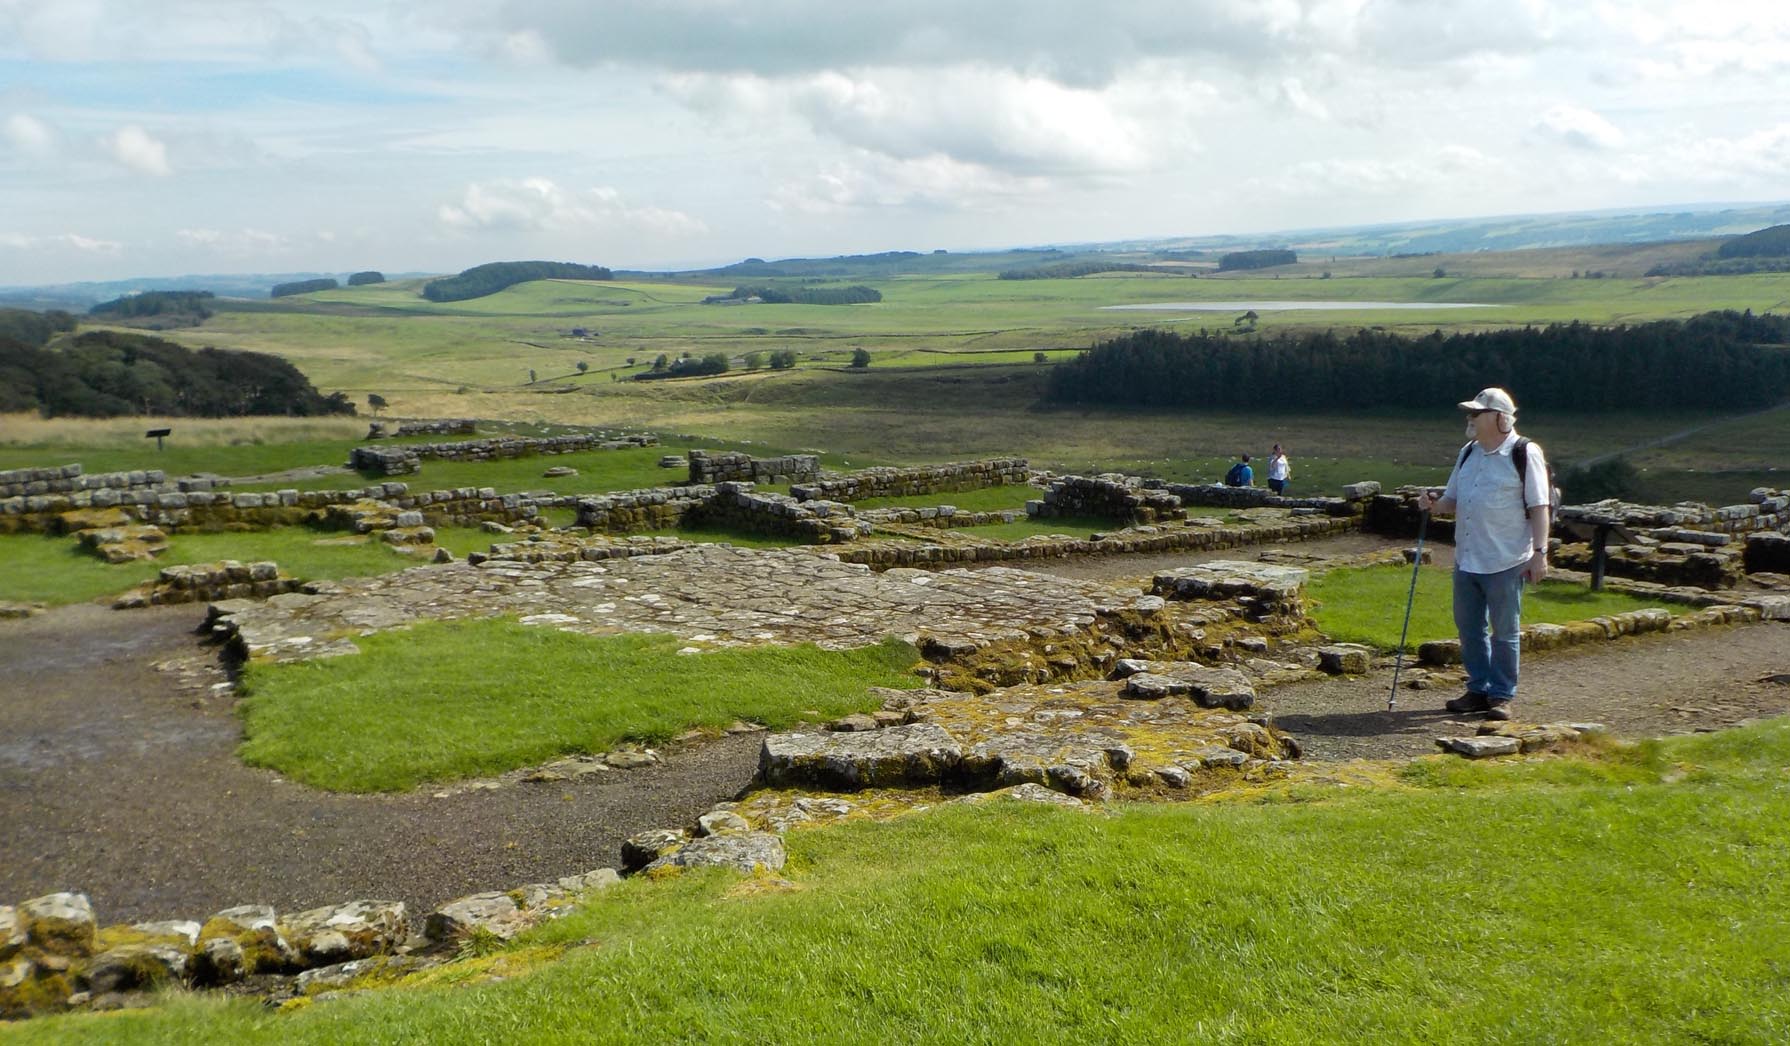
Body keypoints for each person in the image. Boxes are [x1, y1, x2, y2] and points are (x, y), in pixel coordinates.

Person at [1414, 387, 1551, 722]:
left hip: (1507, 559)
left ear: (1500, 418)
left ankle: (1501, 695)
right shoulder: (1468, 452)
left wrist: (1540, 553)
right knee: (1469, 628)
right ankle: (1478, 689)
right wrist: (1433, 504)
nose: (1470, 418)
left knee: (1504, 632)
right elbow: (1452, 500)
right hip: (1468, 557)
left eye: (1477, 413)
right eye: (1470, 413)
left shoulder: (1524, 452)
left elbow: (1539, 506)